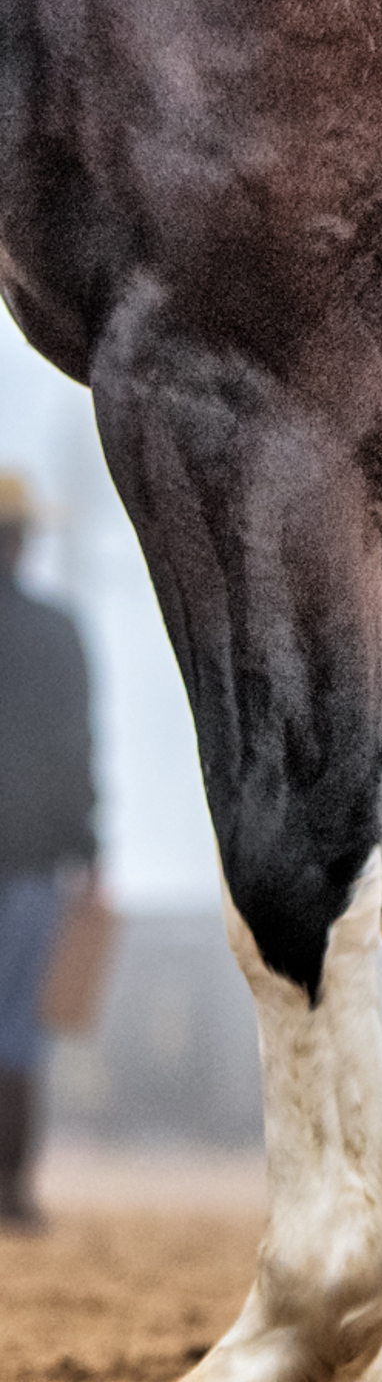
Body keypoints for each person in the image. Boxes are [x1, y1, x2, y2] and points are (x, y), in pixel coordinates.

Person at [0, 471, 97, 1233]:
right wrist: (91, 848)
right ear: (24, 541)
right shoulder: (58, 632)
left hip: (31, 856)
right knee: (21, 1031)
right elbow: (77, 750)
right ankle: (13, 1190)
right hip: (35, 860)